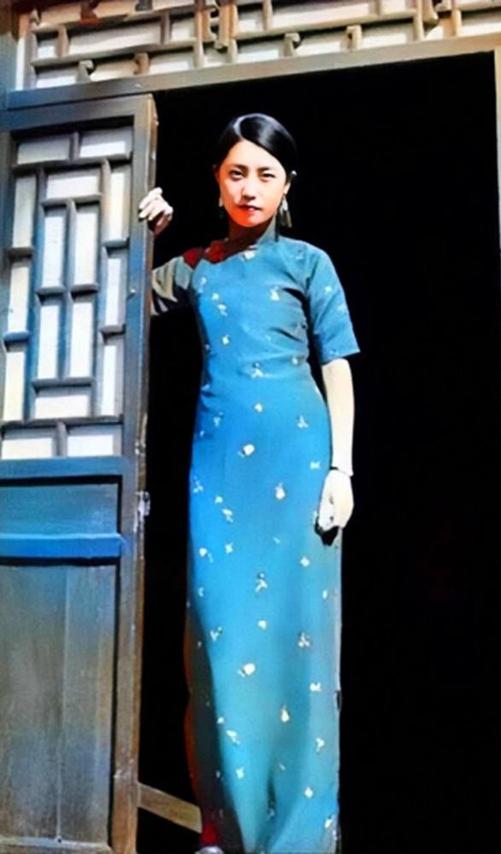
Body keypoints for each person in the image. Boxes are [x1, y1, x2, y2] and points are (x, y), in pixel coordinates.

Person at [138, 113, 360, 854]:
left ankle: (298, 837)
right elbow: (115, 302)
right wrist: (143, 234)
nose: (250, 187)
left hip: (299, 462)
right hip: (220, 471)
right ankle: (224, 827)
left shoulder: (308, 264)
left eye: (266, 174)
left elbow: (336, 366)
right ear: (216, 181)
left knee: (299, 647)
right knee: (220, 642)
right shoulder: (196, 266)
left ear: (287, 185)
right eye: (237, 173)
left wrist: (342, 470)